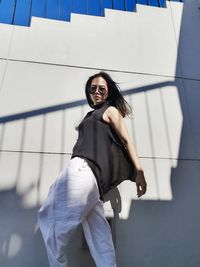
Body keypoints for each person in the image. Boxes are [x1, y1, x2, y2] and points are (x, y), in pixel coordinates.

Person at [38, 71, 147, 267]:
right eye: (93, 88)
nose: (96, 92)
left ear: (108, 92)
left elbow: (126, 140)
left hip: (82, 171)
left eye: (101, 89)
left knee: (49, 217)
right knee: (99, 235)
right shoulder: (92, 114)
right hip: (92, 183)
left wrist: (139, 172)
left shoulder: (110, 110)